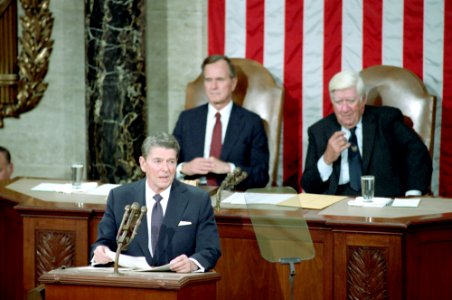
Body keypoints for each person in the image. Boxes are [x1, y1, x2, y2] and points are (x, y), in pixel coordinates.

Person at [92, 133, 221, 272]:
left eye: (171, 161)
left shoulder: (197, 199)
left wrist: (192, 263)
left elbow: (210, 249)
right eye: (158, 161)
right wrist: (100, 251)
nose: (165, 169)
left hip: (177, 283)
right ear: (143, 164)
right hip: (132, 284)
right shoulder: (119, 197)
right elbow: (103, 242)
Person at [301, 70, 432, 197]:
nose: (345, 109)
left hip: (382, 207)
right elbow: (308, 185)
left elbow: (417, 153)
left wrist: (412, 195)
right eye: (339, 102)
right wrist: (326, 159)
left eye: (351, 101)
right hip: (335, 209)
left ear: (363, 100)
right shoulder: (319, 131)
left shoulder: (386, 120)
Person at [172, 55, 269, 190]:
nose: (213, 86)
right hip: (191, 197)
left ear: (233, 83)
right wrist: (184, 168)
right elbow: (164, 165)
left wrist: (229, 168)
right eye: (208, 80)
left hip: (233, 200)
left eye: (220, 79)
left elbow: (261, 176)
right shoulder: (186, 119)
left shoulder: (251, 122)